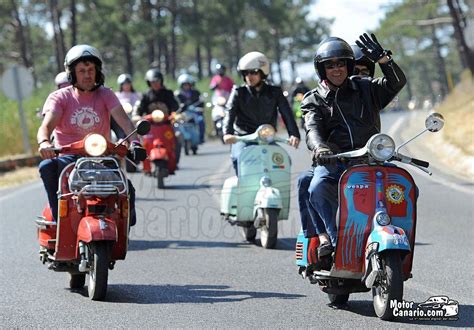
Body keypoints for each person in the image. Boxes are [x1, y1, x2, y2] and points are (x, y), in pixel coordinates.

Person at [299, 34, 406, 258]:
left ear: (349, 66)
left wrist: (385, 62)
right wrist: (320, 148)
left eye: (341, 64)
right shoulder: (313, 99)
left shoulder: (366, 88)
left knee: (404, 186)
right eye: (330, 65)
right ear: (322, 69)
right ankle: (332, 239)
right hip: (335, 161)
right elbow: (312, 130)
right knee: (316, 186)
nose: (336, 69)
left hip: (371, 159)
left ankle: (397, 235)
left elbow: (396, 83)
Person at [37, 44, 145, 226]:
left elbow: (125, 122)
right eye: (81, 71)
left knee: (127, 190)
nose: (87, 75)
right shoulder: (59, 97)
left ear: (97, 71)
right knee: (47, 166)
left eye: (91, 70)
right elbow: (46, 126)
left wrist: (135, 142)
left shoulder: (106, 94)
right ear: (72, 73)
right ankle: (59, 220)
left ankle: (119, 225)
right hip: (67, 159)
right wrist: (45, 142)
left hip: (101, 158)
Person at [222, 51, 300, 174]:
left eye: (253, 72)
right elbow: (229, 112)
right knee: (239, 159)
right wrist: (227, 133)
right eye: (246, 73)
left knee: (283, 161)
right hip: (244, 137)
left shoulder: (275, 92)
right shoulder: (238, 92)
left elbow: (287, 113)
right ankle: (244, 190)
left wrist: (294, 134)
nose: (249, 76)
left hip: (266, 138)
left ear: (263, 72)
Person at [175, 73, 205, 143]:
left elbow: (201, 102)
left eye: (188, 84)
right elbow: (176, 105)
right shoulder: (178, 94)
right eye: (184, 84)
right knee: (176, 123)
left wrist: (199, 108)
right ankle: (178, 140)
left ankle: (201, 137)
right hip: (183, 114)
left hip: (194, 112)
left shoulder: (196, 92)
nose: (186, 86)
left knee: (201, 120)